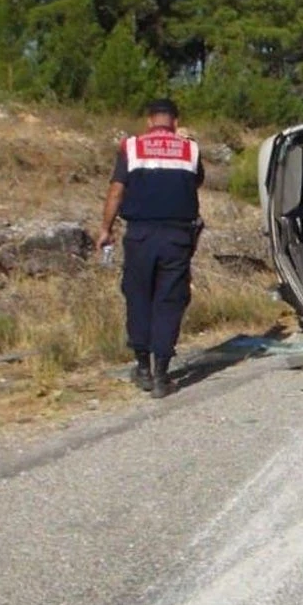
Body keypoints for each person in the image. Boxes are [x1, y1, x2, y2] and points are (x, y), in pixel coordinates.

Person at [96, 99, 205, 399]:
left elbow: (117, 190)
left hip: (140, 235)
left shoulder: (131, 147)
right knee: (170, 300)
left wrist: (105, 229)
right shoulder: (190, 149)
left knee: (138, 296)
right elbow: (192, 184)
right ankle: (162, 375)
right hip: (176, 237)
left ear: (149, 121)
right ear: (175, 121)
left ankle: (142, 367)